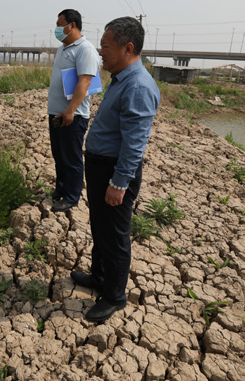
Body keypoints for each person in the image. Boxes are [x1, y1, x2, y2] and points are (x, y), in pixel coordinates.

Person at [71, 16, 160, 323]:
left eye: (106, 46)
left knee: (115, 235)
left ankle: (114, 296)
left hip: (114, 172)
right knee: (101, 228)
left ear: (128, 48)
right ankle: (99, 276)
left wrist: (119, 183)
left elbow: (135, 143)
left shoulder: (138, 86)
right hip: (101, 167)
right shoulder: (121, 78)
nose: (100, 52)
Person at [47, 9, 101, 212]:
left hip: (72, 115)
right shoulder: (63, 49)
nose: (57, 29)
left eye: (60, 25)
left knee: (71, 157)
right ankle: (61, 189)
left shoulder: (85, 49)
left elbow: (84, 82)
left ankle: (72, 196)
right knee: (59, 155)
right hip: (56, 112)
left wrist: (71, 110)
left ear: (72, 26)